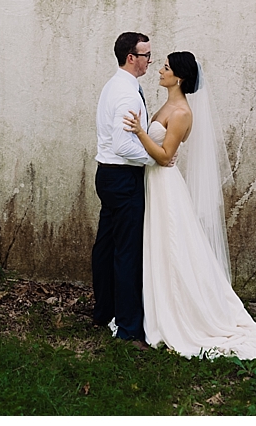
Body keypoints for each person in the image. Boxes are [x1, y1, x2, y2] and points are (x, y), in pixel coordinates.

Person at [122, 50, 256, 360]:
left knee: (171, 246)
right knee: (158, 246)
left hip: (164, 185)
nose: (160, 70)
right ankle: (153, 309)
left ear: (178, 77)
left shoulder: (181, 111)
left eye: (166, 68)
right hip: (152, 182)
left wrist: (140, 132)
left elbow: (166, 156)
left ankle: (180, 313)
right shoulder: (168, 104)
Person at [91, 31, 156, 350]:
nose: (149, 61)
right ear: (132, 57)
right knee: (127, 252)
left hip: (107, 175)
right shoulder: (128, 94)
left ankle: (103, 311)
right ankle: (129, 329)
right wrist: (156, 159)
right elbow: (122, 144)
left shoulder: (113, 85)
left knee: (106, 245)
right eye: (146, 55)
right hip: (122, 177)